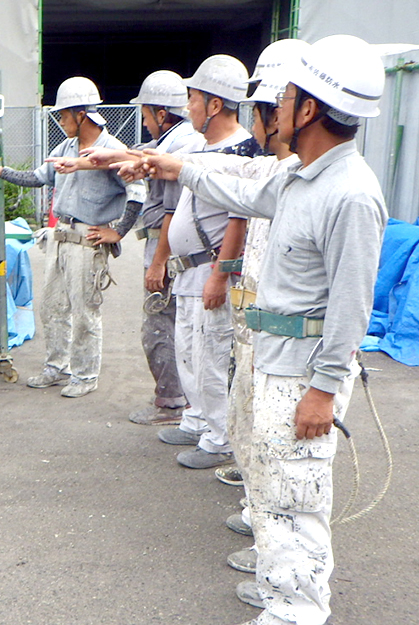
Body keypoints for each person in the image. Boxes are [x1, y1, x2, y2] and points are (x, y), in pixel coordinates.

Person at [141, 34, 387, 625]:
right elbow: (242, 186)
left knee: (296, 498)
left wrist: (324, 390)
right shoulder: (301, 176)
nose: (274, 108)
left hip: (304, 373)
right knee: (274, 493)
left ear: (309, 110)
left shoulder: (351, 194)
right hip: (276, 360)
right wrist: (170, 164)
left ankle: (297, 612)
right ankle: (282, 593)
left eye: (286, 97)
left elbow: (353, 306)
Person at [0, 76, 145, 398]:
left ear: (82, 115)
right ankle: (57, 366)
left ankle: (85, 375)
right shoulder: (65, 147)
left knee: (85, 313)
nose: (61, 121)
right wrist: (0, 171)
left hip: (88, 241)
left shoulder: (113, 151)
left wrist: (118, 231)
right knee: (52, 307)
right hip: (60, 237)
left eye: (64, 115)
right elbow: (38, 177)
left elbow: (137, 191)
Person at [155, 55, 261, 470]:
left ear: (214, 104)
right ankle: (198, 418)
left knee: (213, 356)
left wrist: (222, 274)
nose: (189, 107)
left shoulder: (242, 152)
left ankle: (219, 438)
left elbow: (240, 217)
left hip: (211, 270)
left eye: (193, 98)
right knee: (189, 350)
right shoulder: (200, 147)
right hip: (189, 269)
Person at [125, 70, 197, 425]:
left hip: (163, 246)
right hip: (164, 246)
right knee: (171, 325)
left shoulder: (179, 144)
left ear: (161, 114)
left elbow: (172, 211)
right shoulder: (175, 140)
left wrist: (158, 263)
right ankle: (180, 401)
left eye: (146, 114)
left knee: (159, 326)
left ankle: (171, 402)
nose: (144, 121)